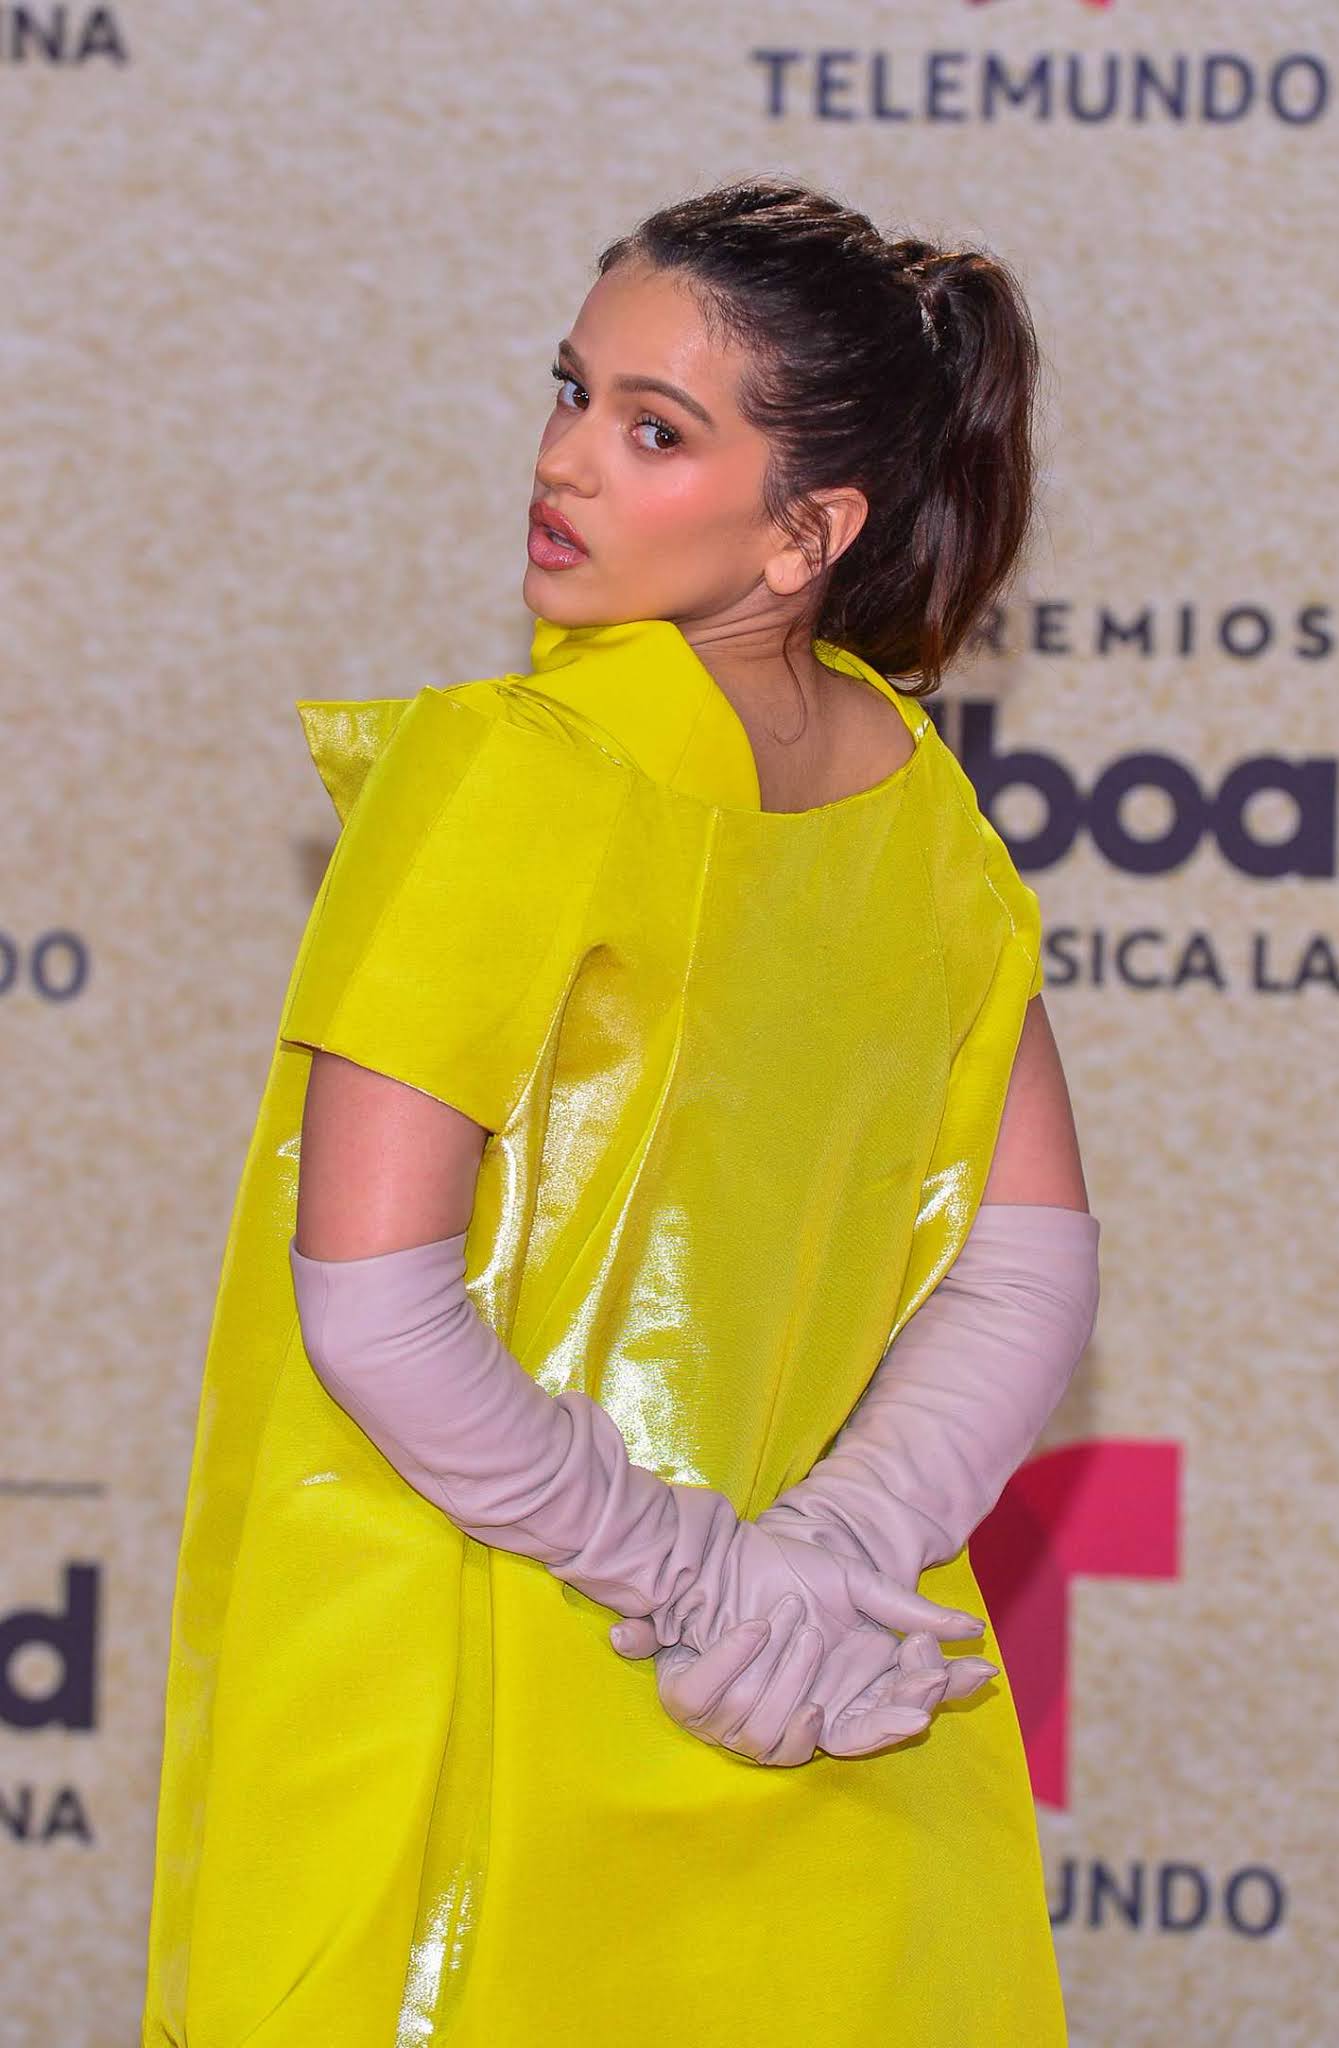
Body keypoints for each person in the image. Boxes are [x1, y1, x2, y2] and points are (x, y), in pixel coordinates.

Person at [141, 177, 1100, 2046]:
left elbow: (374, 1306)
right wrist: (819, 1568)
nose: (564, 462)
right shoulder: (923, 804)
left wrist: (724, 1582)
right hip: (823, 1690)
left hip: (481, 1679)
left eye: (653, 431)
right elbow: (1030, 1271)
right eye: (570, 391)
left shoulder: (506, 769)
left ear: (808, 528)